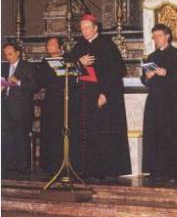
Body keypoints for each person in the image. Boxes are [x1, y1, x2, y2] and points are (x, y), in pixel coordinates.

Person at [70, 14, 130, 179]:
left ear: (96, 28)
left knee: (104, 132)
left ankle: (107, 170)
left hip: (103, 96)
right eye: (82, 28)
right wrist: (78, 61)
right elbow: (67, 62)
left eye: (87, 27)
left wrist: (106, 94)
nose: (84, 31)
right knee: (87, 132)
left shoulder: (106, 45)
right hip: (84, 97)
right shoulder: (80, 45)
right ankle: (87, 169)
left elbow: (115, 72)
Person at [141, 24, 177, 181]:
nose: (156, 40)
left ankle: (173, 171)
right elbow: (144, 79)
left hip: (170, 102)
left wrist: (167, 72)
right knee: (154, 134)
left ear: (167, 36)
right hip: (154, 101)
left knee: (171, 136)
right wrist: (146, 77)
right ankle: (155, 170)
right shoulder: (151, 57)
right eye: (154, 37)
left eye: (159, 36)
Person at [37, 37, 79, 173]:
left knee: (65, 130)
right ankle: (51, 164)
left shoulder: (68, 60)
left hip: (66, 100)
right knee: (50, 131)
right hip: (51, 101)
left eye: (53, 44)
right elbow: (41, 81)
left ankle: (67, 162)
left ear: (60, 47)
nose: (50, 46)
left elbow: (73, 78)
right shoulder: (44, 63)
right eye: (48, 44)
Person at [1, 43, 38, 175]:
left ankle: (23, 167)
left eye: (10, 54)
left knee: (21, 136)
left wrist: (18, 82)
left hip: (22, 108)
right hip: (5, 107)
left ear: (18, 53)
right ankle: (8, 165)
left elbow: (34, 86)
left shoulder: (28, 67)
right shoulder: (3, 67)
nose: (7, 57)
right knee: (7, 137)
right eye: (5, 54)